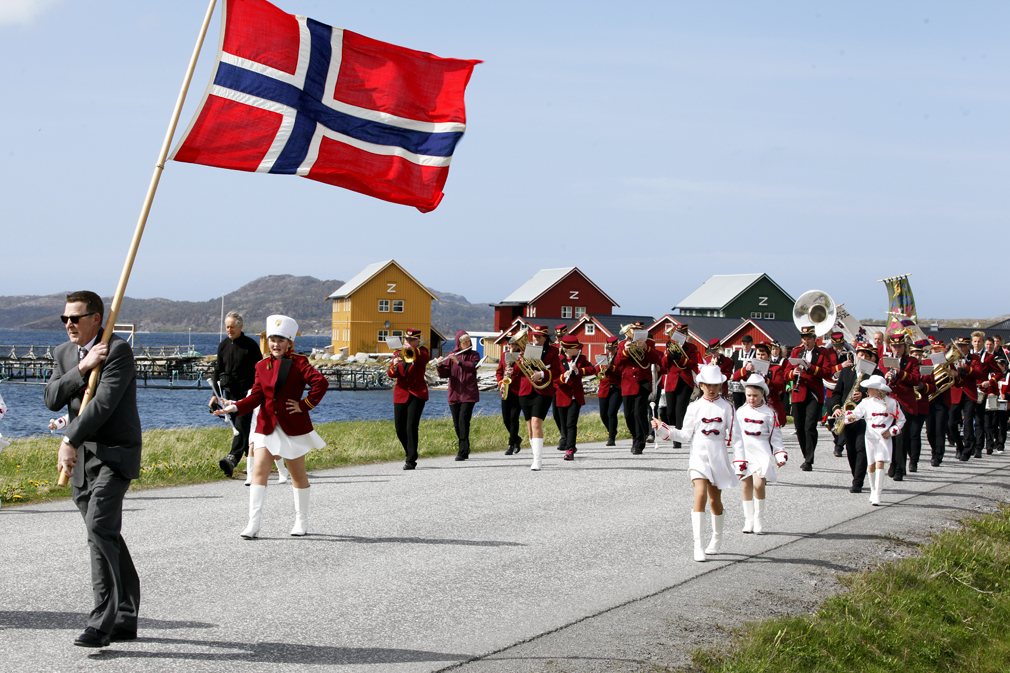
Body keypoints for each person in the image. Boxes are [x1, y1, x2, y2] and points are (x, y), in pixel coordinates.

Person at [45, 291, 142, 648]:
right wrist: (82, 369)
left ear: (96, 318)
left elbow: (102, 405)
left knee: (99, 526)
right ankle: (127, 616)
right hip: (83, 461)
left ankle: (101, 623)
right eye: (64, 319)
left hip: (116, 455)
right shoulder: (64, 354)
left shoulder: (117, 351)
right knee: (106, 533)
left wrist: (68, 438)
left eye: (76, 318)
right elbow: (52, 397)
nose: (68, 324)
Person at [215, 315, 328, 538]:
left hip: (291, 427)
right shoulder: (261, 366)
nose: (275, 344)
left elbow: (320, 383)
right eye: (272, 340)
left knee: (298, 476)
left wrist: (304, 405)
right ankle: (253, 524)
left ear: (289, 343)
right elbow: (256, 396)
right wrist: (235, 407)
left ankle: (301, 521)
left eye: (280, 340)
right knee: (259, 471)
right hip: (266, 426)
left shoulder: (299, 363)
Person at [651, 364, 737, 562]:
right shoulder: (694, 407)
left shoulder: (727, 407)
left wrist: (741, 460)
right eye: (707, 385)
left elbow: (736, 437)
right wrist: (662, 428)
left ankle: (716, 538)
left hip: (718, 456)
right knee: (700, 495)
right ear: (701, 385)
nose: (712, 389)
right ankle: (698, 545)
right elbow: (684, 435)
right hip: (698, 456)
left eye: (715, 385)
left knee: (715, 501)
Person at [731, 374, 787, 534]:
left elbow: (776, 436)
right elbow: (735, 435)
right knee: (746, 485)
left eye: (755, 395)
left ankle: (758, 519)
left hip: (761, 450)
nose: (751, 398)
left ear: (763, 394)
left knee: (759, 484)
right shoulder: (740, 412)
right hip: (745, 452)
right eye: (748, 395)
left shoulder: (770, 413)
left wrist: (779, 454)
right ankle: (748, 520)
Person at [210, 311, 262, 478]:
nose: (229, 330)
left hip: (246, 395)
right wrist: (214, 395)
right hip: (227, 394)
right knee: (243, 429)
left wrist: (255, 392)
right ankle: (252, 462)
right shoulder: (223, 345)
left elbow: (259, 370)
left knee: (240, 426)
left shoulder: (250, 346)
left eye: (232, 327)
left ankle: (231, 459)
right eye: (227, 327)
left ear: (240, 326)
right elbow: (218, 370)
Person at [829, 340, 883, 492]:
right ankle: (856, 475)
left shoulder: (876, 374)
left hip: (866, 419)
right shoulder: (847, 371)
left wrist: (865, 394)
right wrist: (837, 408)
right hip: (848, 416)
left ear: (871, 358)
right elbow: (837, 393)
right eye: (860, 354)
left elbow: (883, 394)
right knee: (851, 449)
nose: (863, 357)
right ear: (856, 355)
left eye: (867, 355)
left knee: (861, 448)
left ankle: (858, 482)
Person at [845, 375, 905, 506]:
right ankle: (872, 490)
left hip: (883, 437)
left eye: (870, 388)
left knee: (880, 462)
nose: (868, 391)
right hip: (870, 437)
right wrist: (850, 417)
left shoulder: (891, 402)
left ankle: (878, 493)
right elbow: (856, 413)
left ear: (879, 390)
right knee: (871, 464)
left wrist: (892, 431)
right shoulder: (866, 402)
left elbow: (901, 419)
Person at [511, 324, 562, 471]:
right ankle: (535, 456)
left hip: (543, 390)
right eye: (534, 336)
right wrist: (519, 360)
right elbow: (516, 372)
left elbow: (557, 371)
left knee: (536, 423)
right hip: (526, 390)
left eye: (539, 336)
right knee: (529, 427)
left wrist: (542, 374)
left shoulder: (553, 351)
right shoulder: (525, 350)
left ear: (545, 338)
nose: (535, 338)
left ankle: (538, 460)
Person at [783, 325, 832, 471]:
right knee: (799, 427)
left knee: (810, 426)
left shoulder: (823, 353)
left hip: (814, 394)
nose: (806, 341)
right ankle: (806, 455)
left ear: (814, 338)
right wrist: (794, 373)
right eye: (804, 338)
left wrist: (811, 367)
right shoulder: (796, 352)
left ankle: (809, 460)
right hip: (798, 392)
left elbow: (827, 372)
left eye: (809, 338)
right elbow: (786, 373)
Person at [613, 322, 665, 455]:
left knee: (639, 413)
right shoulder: (622, 344)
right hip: (627, 382)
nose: (633, 333)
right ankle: (636, 436)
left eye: (637, 330)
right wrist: (625, 350)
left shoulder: (649, 344)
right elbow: (617, 363)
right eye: (632, 330)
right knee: (628, 415)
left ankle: (638, 442)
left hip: (643, 381)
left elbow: (655, 359)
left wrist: (646, 348)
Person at [387, 329, 430, 470]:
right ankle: (410, 452)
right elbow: (392, 374)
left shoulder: (422, 352)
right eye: (406, 340)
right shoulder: (398, 354)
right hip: (401, 392)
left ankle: (411, 460)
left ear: (418, 341)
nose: (408, 342)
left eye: (411, 340)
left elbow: (423, 360)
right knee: (399, 428)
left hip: (417, 392)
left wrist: (412, 350)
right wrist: (395, 362)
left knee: (411, 426)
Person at [436, 330, 480, 461]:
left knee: (463, 421)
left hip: (469, 394)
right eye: (464, 342)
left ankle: (462, 451)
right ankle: (465, 446)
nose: (467, 343)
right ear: (458, 343)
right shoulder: (451, 355)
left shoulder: (474, 354)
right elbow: (445, 374)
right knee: (457, 424)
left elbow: (473, 367)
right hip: (454, 394)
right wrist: (439, 366)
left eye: (468, 341)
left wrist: (458, 362)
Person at [881, 333, 920, 480]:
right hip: (889, 402)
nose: (897, 348)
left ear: (905, 347)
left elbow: (916, 380)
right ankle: (893, 463)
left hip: (904, 403)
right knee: (889, 436)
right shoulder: (884, 361)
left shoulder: (912, 361)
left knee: (901, 437)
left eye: (900, 346)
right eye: (894, 346)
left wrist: (899, 372)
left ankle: (899, 468)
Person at [555, 334, 594, 461]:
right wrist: (562, 377)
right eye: (577, 348)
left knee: (571, 424)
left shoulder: (581, 358)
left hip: (575, 397)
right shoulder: (558, 360)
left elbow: (592, 369)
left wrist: (579, 370)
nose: (580, 350)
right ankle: (567, 443)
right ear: (569, 349)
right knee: (563, 424)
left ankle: (570, 449)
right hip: (562, 396)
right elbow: (553, 380)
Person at [662, 325, 700, 448]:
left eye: (682, 333)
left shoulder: (691, 348)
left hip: (685, 380)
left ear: (685, 334)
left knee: (680, 410)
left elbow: (693, 364)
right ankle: (674, 433)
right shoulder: (670, 346)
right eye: (677, 333)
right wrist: (668, 355)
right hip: (671, 381)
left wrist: (681, 358)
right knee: (670, 411)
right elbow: (664, 365)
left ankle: (678, 439)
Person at [496, 336, 523, 455]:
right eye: (508, 344)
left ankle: (511, 444)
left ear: (517, 344)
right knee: (506, 419)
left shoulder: (522, 355)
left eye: (512, 344)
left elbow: (526, 372)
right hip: (506, 389)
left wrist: (515, 371)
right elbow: (499, 372)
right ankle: (516, 438)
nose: (509, 346)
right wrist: (501, 383)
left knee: (513, 418)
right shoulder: (504, 355)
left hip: (518, 390)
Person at [596, 336, 623, 446]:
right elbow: (596, 370)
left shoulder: (620, 358)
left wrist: (610, 367)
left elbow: (621, 371)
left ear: (617, 347)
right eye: (608, 348)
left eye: (612, 349)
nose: (610, 351)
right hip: (604, 388)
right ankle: (611, 430)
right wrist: (600, 368)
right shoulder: (603, 357)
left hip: (616, 387)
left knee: (612, 412)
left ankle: (611, 437)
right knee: (603, 414)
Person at [729, 334, 756, 409]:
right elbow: (729, 365)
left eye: (748, 344)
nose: (745, 346)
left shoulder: (755, 355)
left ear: (751, 344)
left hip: (750, 383)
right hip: (737, 384)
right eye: (744, 344)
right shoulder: (736, 354)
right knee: (737, 404)